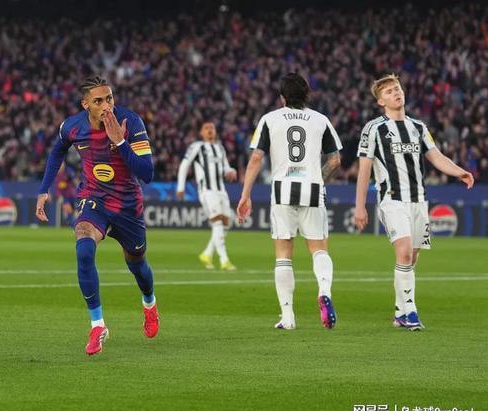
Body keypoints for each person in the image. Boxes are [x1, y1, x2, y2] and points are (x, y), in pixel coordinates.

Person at [35, 76, 159, 355]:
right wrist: (44, 189)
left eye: (109, 98)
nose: (106, 106)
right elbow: (57, 151)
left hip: (127, 206)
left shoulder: (131, 122)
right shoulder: (72, 126)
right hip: (94, 198)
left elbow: (147, 173)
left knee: (138, 264)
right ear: (86, 105)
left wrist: (121, 142)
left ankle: (149, 303)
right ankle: (97, 325)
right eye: (98, 101)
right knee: (83, 248)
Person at [354, 74, 474, 331]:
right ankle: (410, 312)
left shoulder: (418, 127)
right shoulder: (374, 129)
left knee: (412, 257)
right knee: (405, 252)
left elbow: (436, 156)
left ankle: (399, 311)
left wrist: (459, 172)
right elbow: (364, 168)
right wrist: (360, 205)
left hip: (418, 200)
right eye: (389, 92)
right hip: (392, 199)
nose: (396, 93)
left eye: (397, 88)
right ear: (380, 102)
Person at [237, 73, 342, 330]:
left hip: (282, 189)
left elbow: (256, 158)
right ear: (307, 94)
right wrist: (319, 180)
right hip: (312, 188)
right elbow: (335, 160)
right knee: (319, 248)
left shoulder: (269, 119)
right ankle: (324, 291)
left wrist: (245, 194)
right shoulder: (321, 120)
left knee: (283, 254)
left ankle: (288, 317)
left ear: (282, 97)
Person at [176, 121, 237, 270]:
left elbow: (225, 167)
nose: (210, 130)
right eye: (206, 128)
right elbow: (184, 165)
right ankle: (224, 260)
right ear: (201, 133)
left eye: (212, 128)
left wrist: (230, 171)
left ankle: (207, 253)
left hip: (221, 190)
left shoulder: (220, 148)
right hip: (207, 190)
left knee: (226, 224)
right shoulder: (197, 146)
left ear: (215, 131)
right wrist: (181, 187)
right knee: (217, 222)